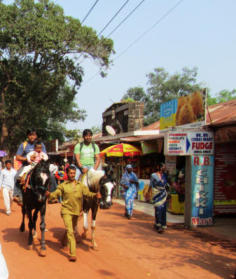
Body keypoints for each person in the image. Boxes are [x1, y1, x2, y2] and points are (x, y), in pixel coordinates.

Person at [47, 165, 101, 262]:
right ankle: (73, 253)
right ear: (67, 174)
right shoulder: (63, 186)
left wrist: (95, 195)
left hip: (76, 212)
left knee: (70, 229)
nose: (72, 175)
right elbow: (56, 193)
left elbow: (88, 193)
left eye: (74, 173)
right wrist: (49, 195)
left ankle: (64, 242)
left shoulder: (80, 185)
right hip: (66, 211)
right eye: (71, 173)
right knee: (71, 232)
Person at [13, 129, 47, 204]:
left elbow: (45, 155)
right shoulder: (23, 145)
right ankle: (18, 195)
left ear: (36, 136)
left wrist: (41, 159)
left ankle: (51, 195)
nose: (32, 136)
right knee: (16, 176)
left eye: (34, 135)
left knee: (50, 175)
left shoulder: (41, 144)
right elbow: (17, 157)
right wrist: (27, 158)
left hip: (40, 166)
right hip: (27, 165)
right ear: (28, 136)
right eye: (30, 135)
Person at [148, 163, 168, 233]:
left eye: (164, 167)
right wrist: (148, 193)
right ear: (159, 167)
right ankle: (158, 225)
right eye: (163, 167)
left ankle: (162, 224)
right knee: (158, 208)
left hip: (163, 194)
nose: (164, 168)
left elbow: (167, 184)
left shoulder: (165, 175)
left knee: (163, 209)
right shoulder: (153, 175)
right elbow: (151, 184)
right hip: (156, 193)